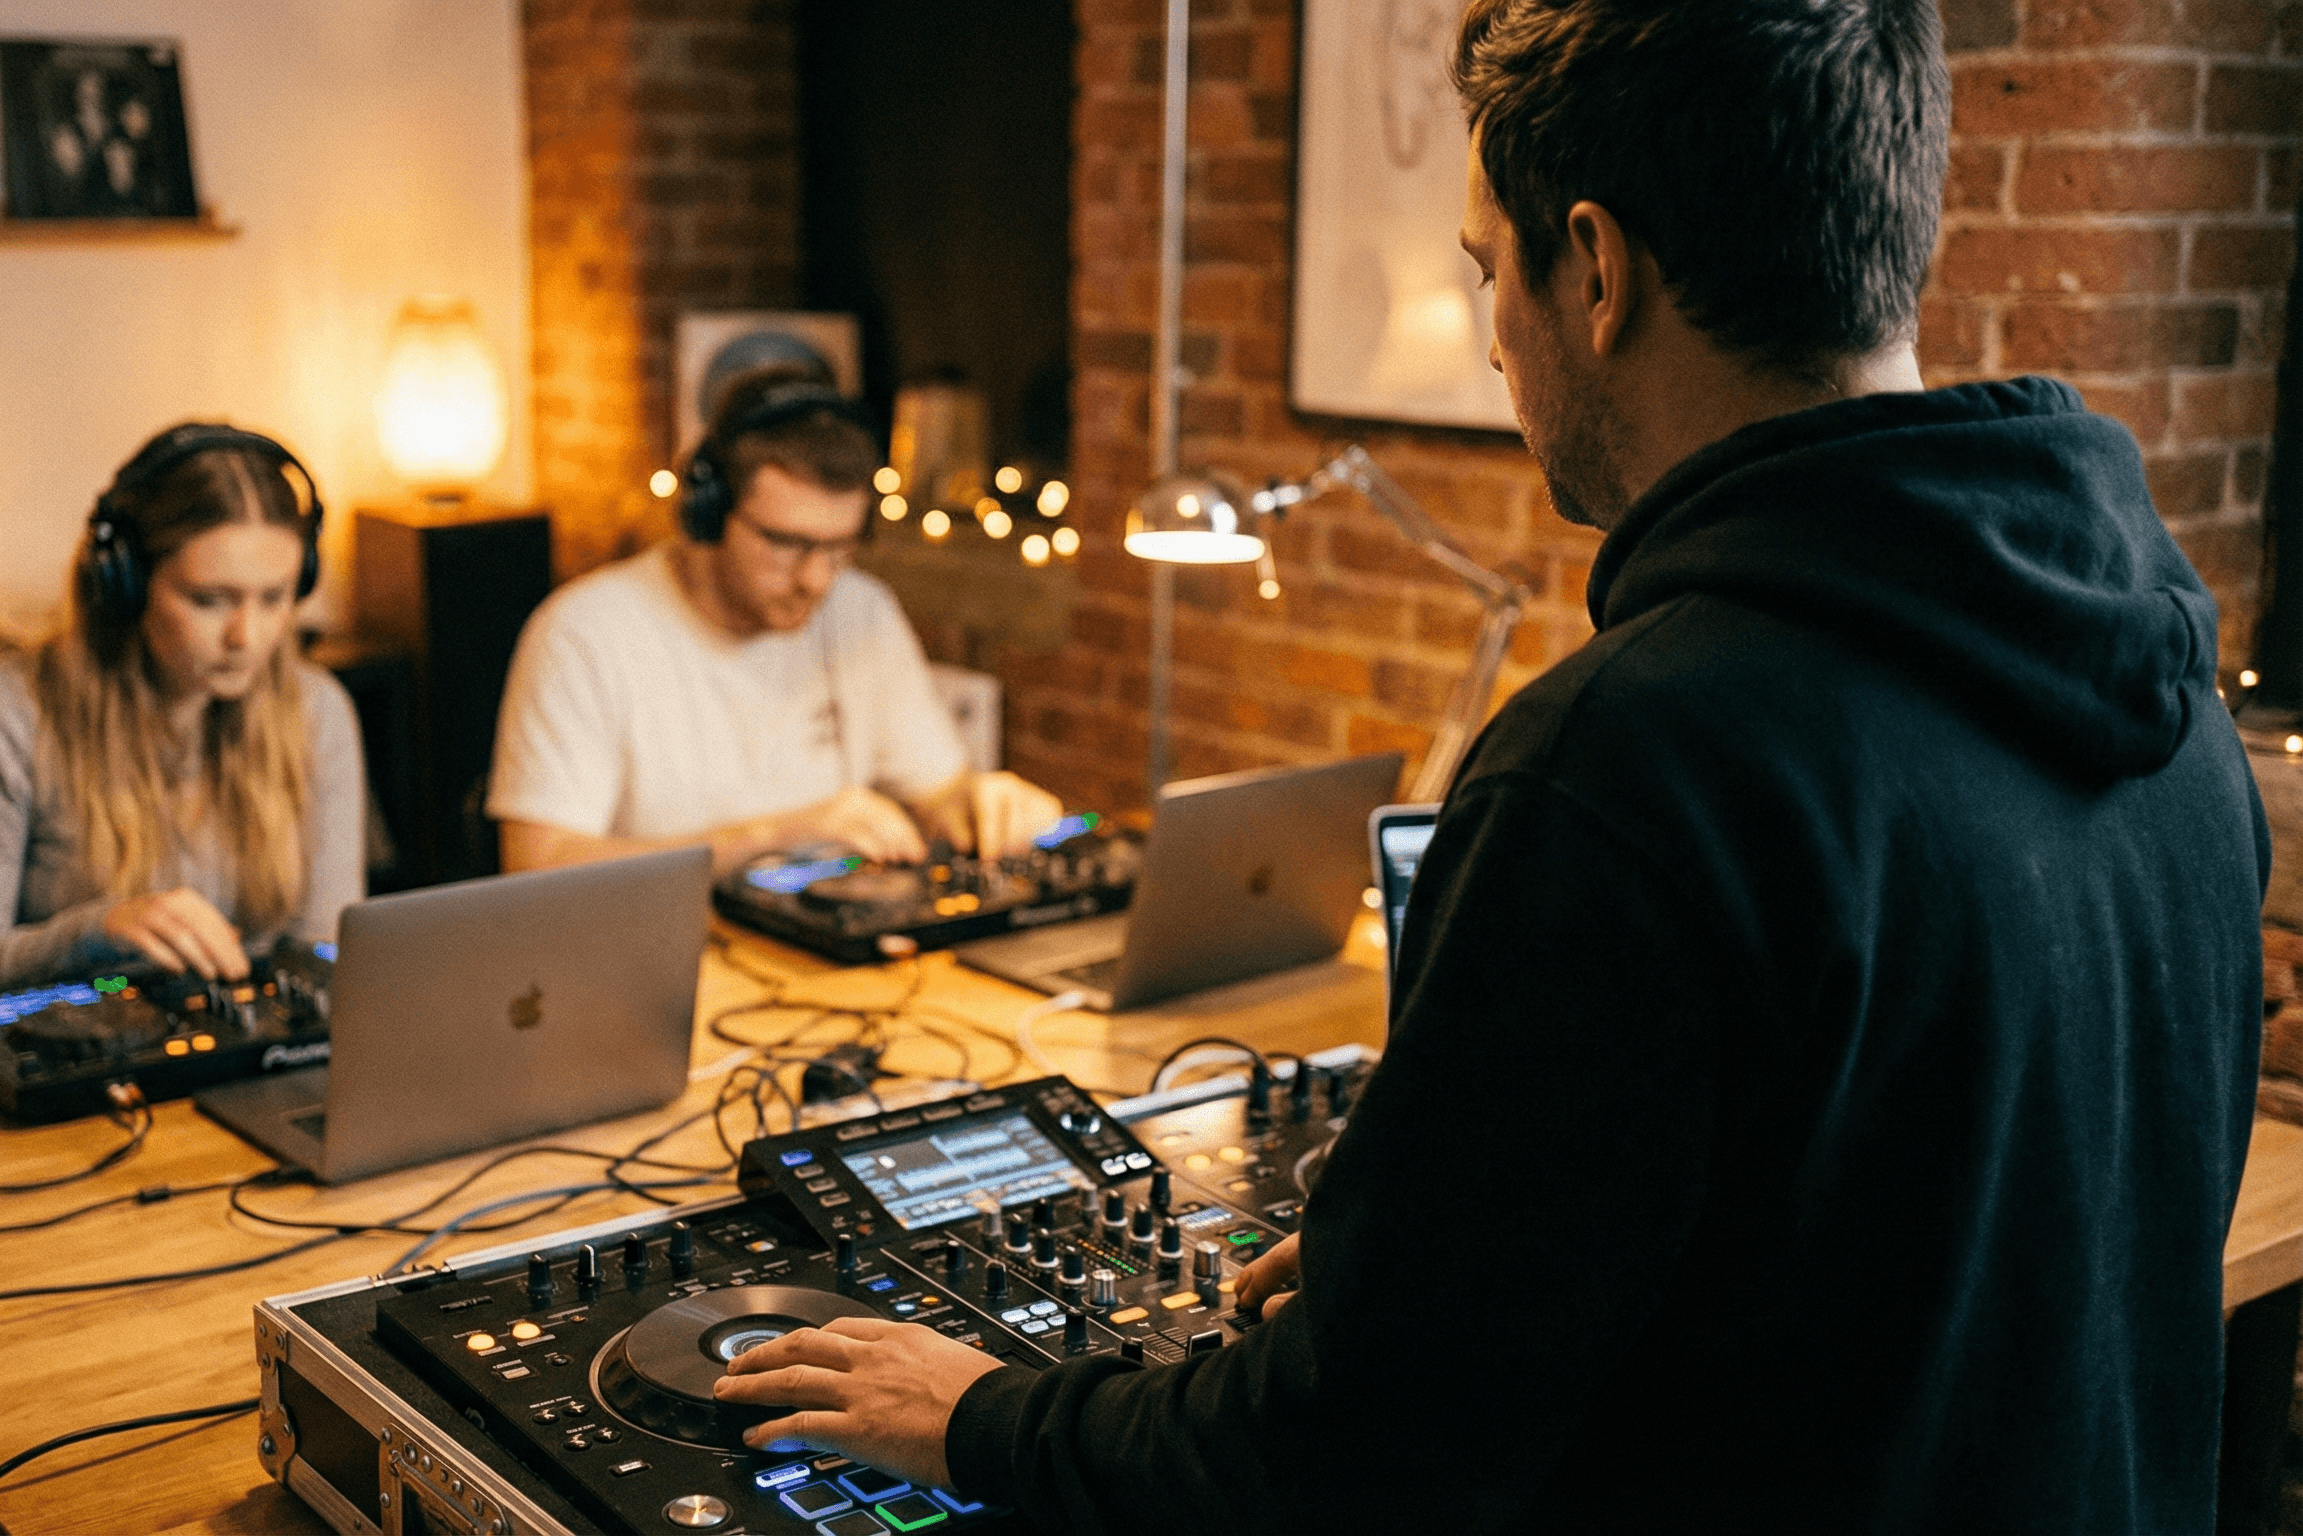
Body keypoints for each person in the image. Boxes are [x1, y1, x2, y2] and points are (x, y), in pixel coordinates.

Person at [713, 1, 2267, 1529]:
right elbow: (1917, 1263)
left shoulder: (1635, 756)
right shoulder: (2164, 687)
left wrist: (978, 1414)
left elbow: (1344, 1468)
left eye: (1484, 269)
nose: (1496, 337)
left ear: (1593, 268)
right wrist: (1464, 1272)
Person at [488, 367, 1065, 874]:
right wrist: (773, 836)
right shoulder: (584, 634)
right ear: (710, 512)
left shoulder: (862, 610)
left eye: (840, 548)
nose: (817, 579)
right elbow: (537, 866)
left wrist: (985, 806)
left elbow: (941, 797)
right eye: (786, 543)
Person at [0, 424, 365, 1021]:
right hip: (78, 1066)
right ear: (124, 583)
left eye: (274, 598)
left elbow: (326, 952)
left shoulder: (316, 711)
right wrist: (98, 933)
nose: (246, 637)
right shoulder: (8, 712)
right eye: (208, 600)